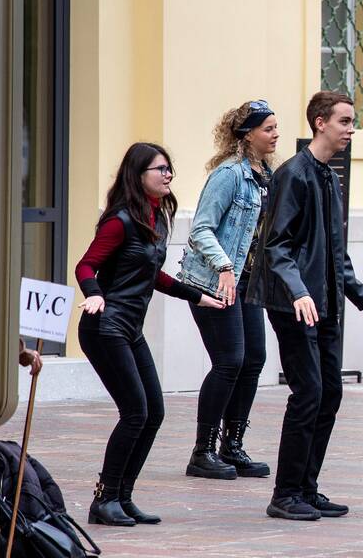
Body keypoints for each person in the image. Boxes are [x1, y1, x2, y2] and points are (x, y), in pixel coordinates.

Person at [247, 91, 363, 521]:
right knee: (308, 392)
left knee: (331, 391)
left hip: (325, 303)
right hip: (294, 303)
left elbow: (334, 251)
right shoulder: (293, 174)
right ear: (319, 122)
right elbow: (277, 245)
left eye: (352, 122)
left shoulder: (329, 177)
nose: (351, 130)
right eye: (345, 122)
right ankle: (285, 493)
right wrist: (298, 291)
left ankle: (307, 488)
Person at [75, 142, 225, 526]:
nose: (168, 174)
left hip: (129, 328)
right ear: (138, 175)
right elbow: (86, 265)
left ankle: (122, 497)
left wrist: (199, 297)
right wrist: (94, 296)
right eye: (160, 169)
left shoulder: (155, 218)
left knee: (153, 412)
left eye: (169, 168)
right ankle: (104, 499)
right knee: (135, 412)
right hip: (104, 327)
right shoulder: (120, 220)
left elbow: (152, 275)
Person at [179, 100, 278, 481]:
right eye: (268, 128)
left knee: (254, 358)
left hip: (248, 283)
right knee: (229, 361)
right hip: (212, 280)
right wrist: (223, 266)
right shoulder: (229, 174)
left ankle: (231, 446)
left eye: (275, 127)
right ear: (246, 134)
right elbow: (201, 228)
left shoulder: (267, 174)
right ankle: (202, 451)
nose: (275, 134)